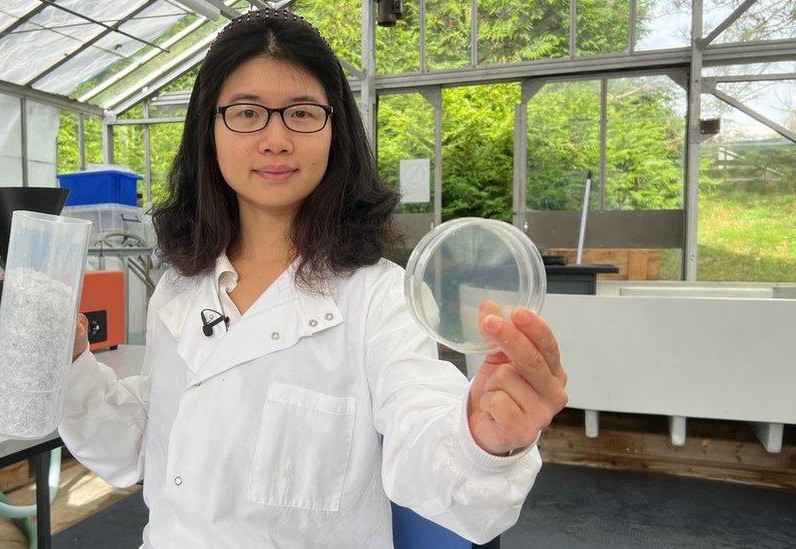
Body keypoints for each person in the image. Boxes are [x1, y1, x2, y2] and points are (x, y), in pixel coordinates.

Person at [60, 8, 568, 548]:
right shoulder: (181, 288)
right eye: (248, 113)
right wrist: (72, 366)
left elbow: (424, 430)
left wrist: (482, 442)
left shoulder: (380, 296)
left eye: (301, 113)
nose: (276, 139)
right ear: (209, 129)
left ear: (335, 131)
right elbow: (140, 447)